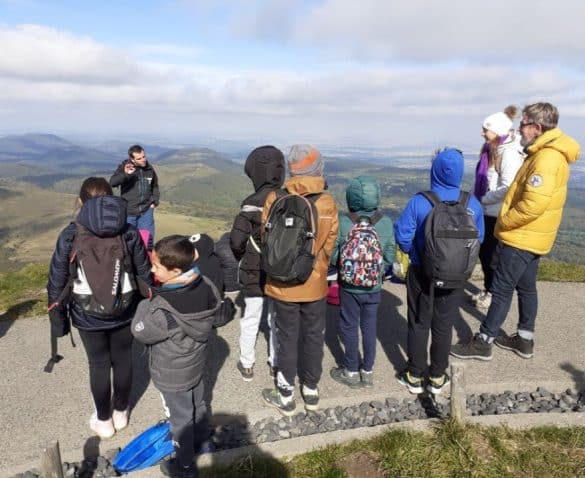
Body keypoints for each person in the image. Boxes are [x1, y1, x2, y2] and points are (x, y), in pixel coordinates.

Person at [451, 102, 581, 361]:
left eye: (523, 124)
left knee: (501, 287)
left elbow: (533, 204)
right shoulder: (547, 153)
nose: (519, 128)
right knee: (526, 287)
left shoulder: (546, 158)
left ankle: (484, 342)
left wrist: (506, 221)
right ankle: (524, 339)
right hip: (534, 235)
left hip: (522, 234)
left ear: (536, 127)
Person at [47, 177, 152, 438]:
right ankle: (121, 413)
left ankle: (104, 421)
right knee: (123, 358)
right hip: (125, 309)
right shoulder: (127, 231)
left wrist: (58, 323)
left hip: (86, 314)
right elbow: (144, 273)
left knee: (99, 364)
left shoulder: (71, 234)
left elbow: (57, 281)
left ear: (80, 201)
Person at [394, 149, 484, 394]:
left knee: (419, 322)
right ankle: (437, 377)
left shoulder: (420, 201)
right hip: (456, 276)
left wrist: (416, 253)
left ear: (434, 171)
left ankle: (414, 375)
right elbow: (480, 238)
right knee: (443, 325)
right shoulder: (471, 203)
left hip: (422, 272)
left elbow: (402, 236)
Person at [131, 235, 220, 478]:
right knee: (198, 403)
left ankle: (185, 466)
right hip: (194, 364)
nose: (151, 268)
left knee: (179, 421)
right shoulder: (208, 286)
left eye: (157, 265)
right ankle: (204, 442)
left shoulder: (162, 309)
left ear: (176, 269)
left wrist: (145, 303)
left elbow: (140, 331)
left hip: (172, 374)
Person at [261, 145, 339, 415]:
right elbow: (329, 244)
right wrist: (316, 266)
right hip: (314, 282)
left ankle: (285, 395)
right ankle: (311, 390)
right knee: (313, 336)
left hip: (282, 284)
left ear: (291, 167)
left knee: (286, 336)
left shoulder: (275, 197)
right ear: (317, 167)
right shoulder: (326, 202)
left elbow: (266, 237)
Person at [329, 176, 395, 389]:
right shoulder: (384, 222)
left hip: (349, 286)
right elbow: (390, 254)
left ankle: (350, 371)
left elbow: (333, 255)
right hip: (374, 286)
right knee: (369, 326)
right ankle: (367, 372)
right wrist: (379, 270)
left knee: (349, 326)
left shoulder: (343, 221)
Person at [230, 146, 285, 381]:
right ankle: (276, 363)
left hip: (253, 272)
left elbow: (236, 241)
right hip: (280, 272)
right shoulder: (287, 199)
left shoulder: (251, 203)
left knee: (251, 317)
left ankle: (247, 364)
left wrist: (242, 256)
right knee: (276, 320)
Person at [471, 106, 524, 309]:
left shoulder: (507, 153)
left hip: (496, 213)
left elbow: (508, 187)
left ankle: (493, 293)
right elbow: (483, 179)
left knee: (491, 257)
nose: (482, 133)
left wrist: (483, 199)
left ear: (498, 131)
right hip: (488, 212)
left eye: (486, 129)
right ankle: (489, 290)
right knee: (486, 255)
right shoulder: (492, 150)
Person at [110, 145, 159, 248]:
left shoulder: (149, 169)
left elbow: (154, 186)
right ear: (132, 159)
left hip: (146, 212)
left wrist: (154, 201)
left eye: (144, 156)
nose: (143, 160)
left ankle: (147, 262)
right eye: (139, 158)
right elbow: (113, 182)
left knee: (147, 243)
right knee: (128, 243)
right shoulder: (125, 167)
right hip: (129, 213)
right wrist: (126, 174)